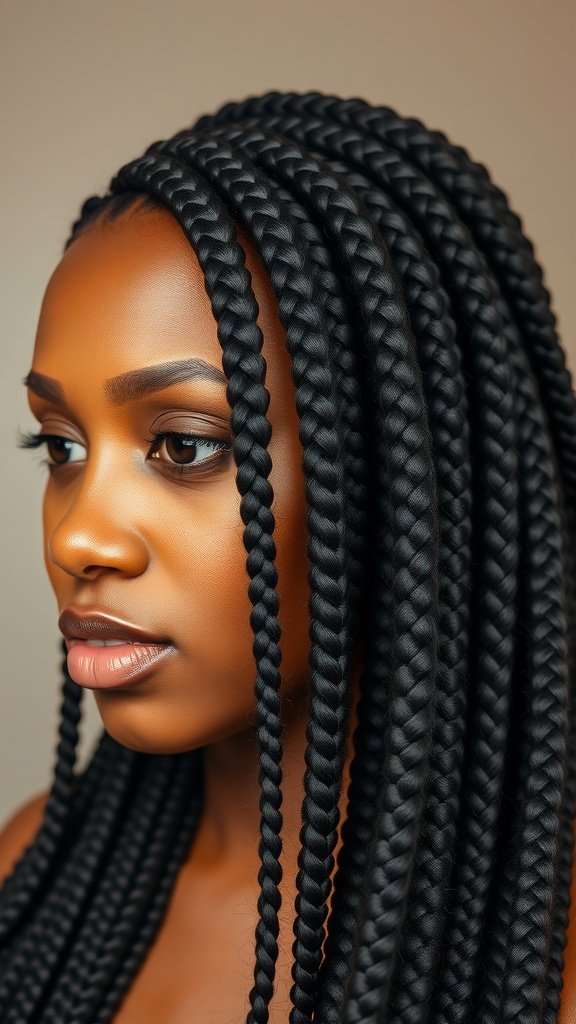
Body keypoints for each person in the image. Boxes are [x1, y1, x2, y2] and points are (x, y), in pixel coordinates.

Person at [0, 89, 574, 1024]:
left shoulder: (536, 959)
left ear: (402, 470)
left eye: (183, 446)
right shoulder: (31, 875)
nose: (76, 538)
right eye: (60, 445)